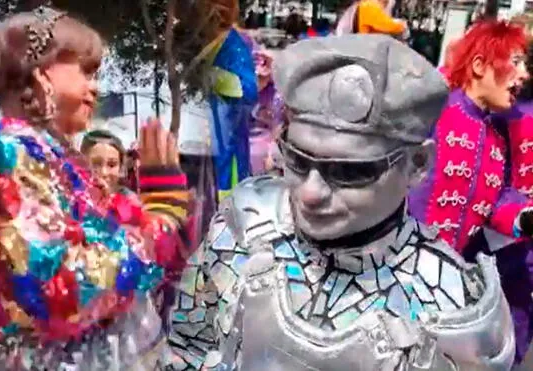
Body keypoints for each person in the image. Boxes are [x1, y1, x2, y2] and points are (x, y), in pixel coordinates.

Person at [165, 35, 515, 370]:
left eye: (348, 172)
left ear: (417, 165)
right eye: (298, 160)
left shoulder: (453, 309)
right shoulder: (244, 227)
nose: (310, 193)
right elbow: (188, 344)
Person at [0, 6, 191, 370]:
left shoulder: (53, 156)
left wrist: (161, 209)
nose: (96, 87)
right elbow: (65, 288)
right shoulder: (5, 151)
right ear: (40, 71)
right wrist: (159, 222)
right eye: (87, 71)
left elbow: (119, 244)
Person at [408, 20, 531, 254]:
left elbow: (497, 201)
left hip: (450, 274)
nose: (524, 74)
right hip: (397, 265)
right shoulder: (433, 111)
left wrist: (525, 218)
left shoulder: (497, 137)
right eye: (515, 63)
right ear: (479, 66)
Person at [80, 129, 133, 195]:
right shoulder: (69, 198)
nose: (104, 172)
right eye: (95, 164)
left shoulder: (129, 200)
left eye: (111, 165)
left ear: (120, 167)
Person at [335, 0, 407, 38]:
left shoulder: (366, 4)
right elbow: (385, 25)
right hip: (357, 46)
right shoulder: (369, 5)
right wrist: (402, 26)